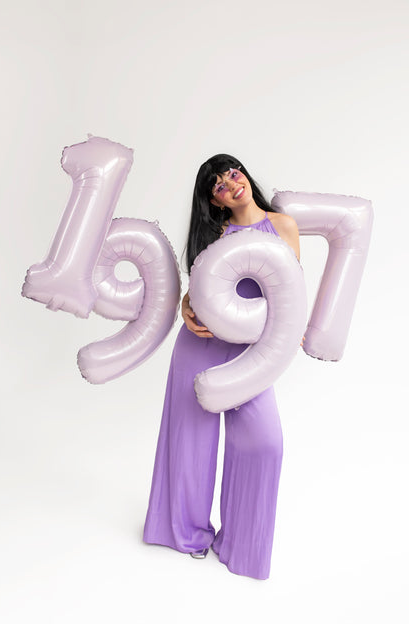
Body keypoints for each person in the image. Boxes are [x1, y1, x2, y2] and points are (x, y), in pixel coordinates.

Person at [143, 154, 300, 580]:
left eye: (232, 173)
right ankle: (185, 533)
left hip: (252, 353)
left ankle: (242, 546)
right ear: (215, 201)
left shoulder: (282, 226)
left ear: (243, 174)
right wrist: (185, 305)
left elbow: (291, 292)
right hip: (201, 345)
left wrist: (296, 328)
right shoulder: (214, 235)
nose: (230, 184)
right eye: (218, 185)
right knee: (189, 444)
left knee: (265, 443)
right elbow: (198, 291)